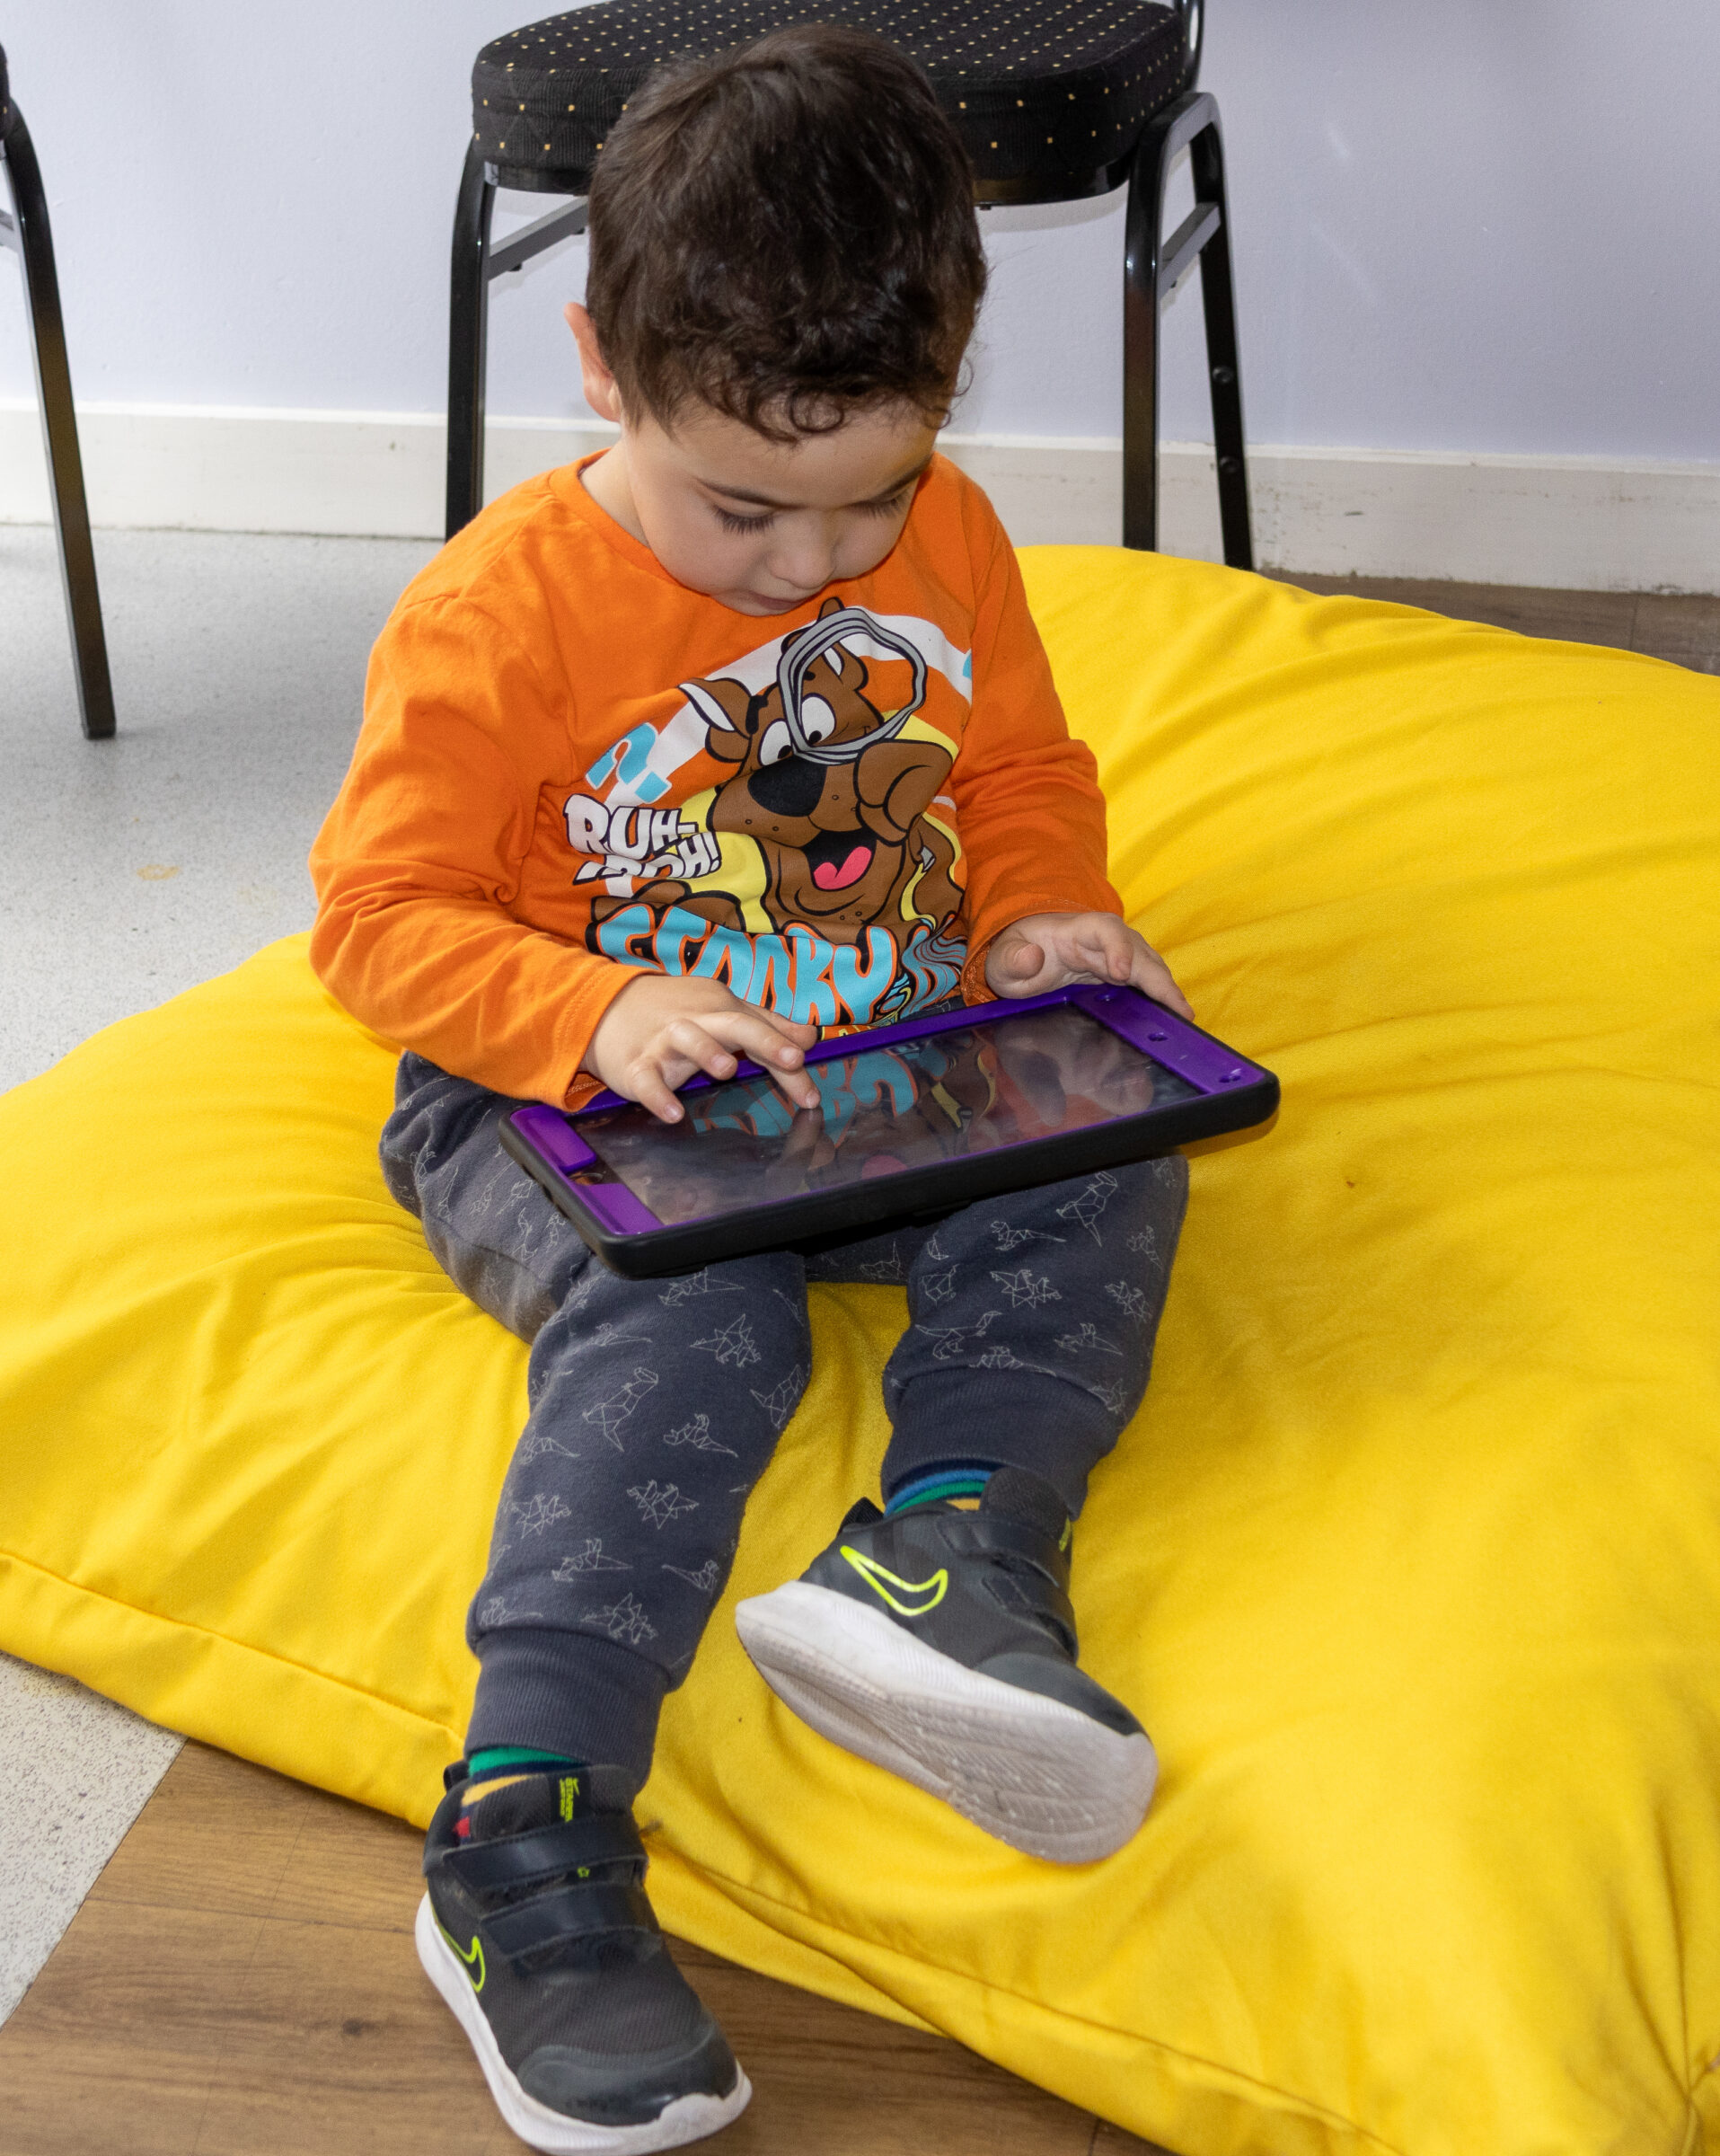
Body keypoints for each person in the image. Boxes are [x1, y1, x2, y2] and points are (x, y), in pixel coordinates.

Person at [309, 24, 1192, 2152]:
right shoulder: (493, 614)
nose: (817, 561)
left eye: (871, 495)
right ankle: (523, 1838)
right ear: (605, 364)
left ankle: (951, 1558)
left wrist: (1043, 922)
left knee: (1111, 1143)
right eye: (748, 507)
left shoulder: (951, 533)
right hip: (562, 1105)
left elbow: (1014, 771)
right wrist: (588, 1013)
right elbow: (374, 919)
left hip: (880, 1051)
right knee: (699, 1310)